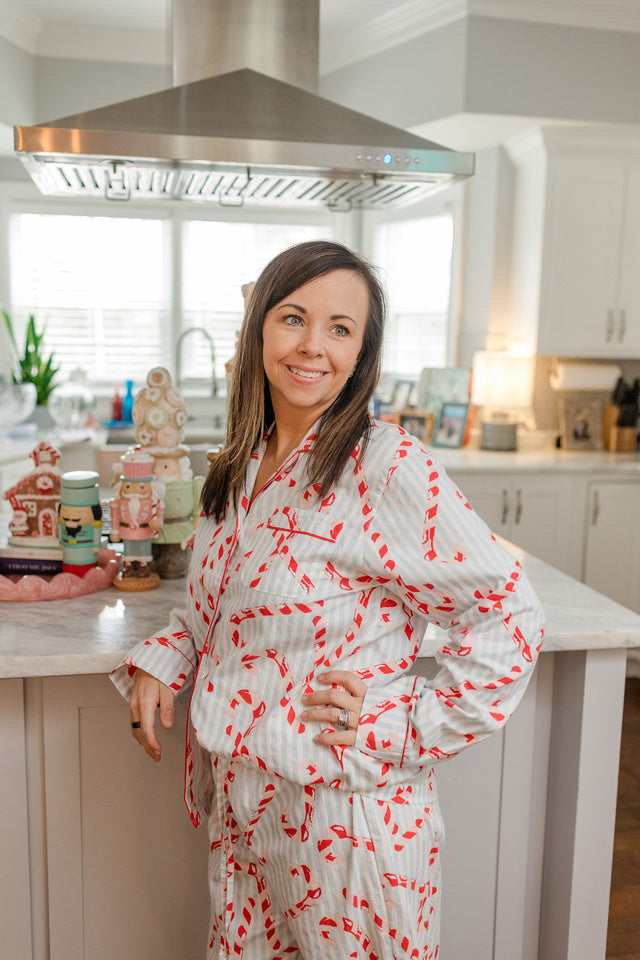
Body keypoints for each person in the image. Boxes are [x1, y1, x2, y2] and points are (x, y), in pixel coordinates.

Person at [111, 240, 544, 959]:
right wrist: (167, 653)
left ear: (361, 352)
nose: (313, 346)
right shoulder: (237, 467)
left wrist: (401, 722)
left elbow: (511, 615)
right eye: (293, 318)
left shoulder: (386, 465)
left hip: (347, 823)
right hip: (245, 811)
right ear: (258, 332)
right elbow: (221, 609)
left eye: (340, 329)